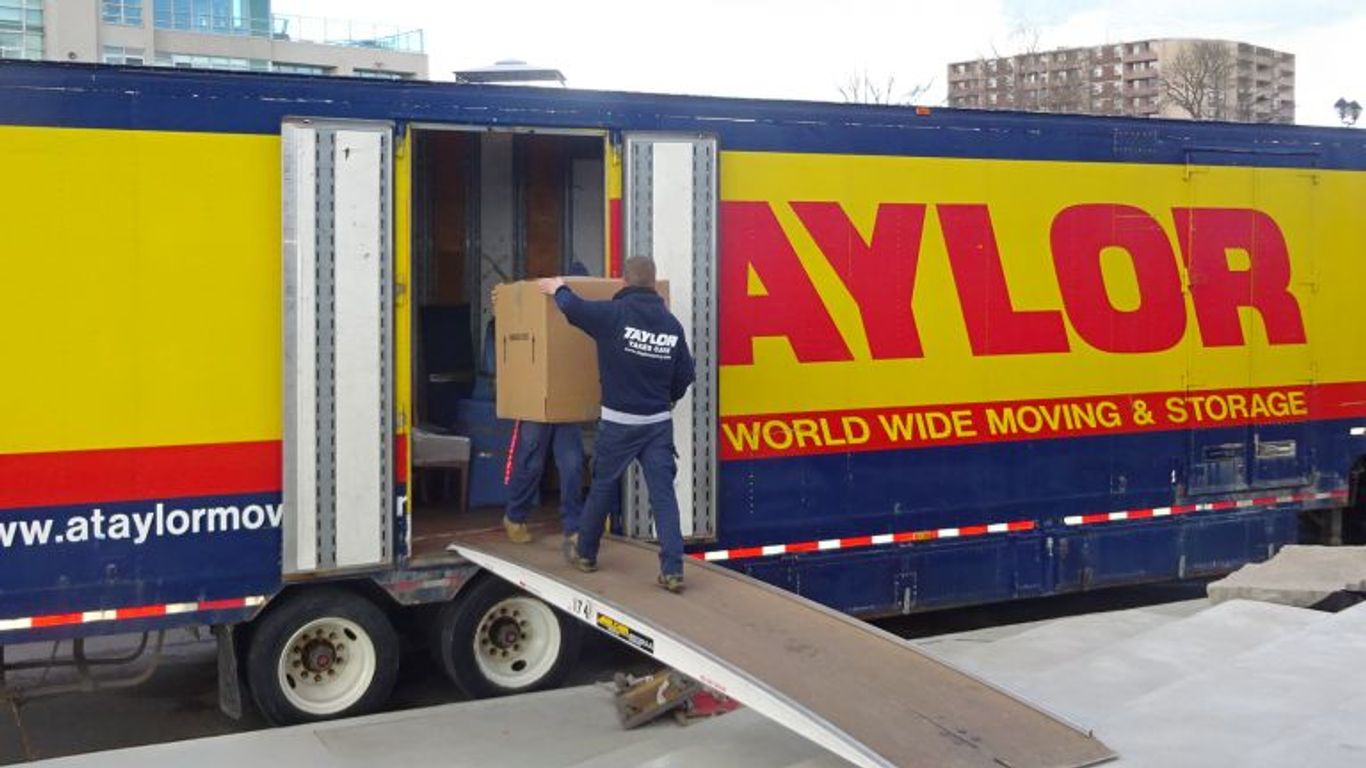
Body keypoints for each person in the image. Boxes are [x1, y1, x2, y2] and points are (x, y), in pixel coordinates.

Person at [538, 256, 694, 593]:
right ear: (653, 283)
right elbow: (686, 374)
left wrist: (557, 287)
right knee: (663, 496)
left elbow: (574, 309)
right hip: (657, 424)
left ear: (624, 280)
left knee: (603, 488)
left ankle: (586, 554)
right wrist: (668, 398)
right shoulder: (671, 325)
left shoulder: (613, 315)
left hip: (619, 424)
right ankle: (673, 570)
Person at [499, 262, 590, 545]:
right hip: (536, 402)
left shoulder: (586, 314)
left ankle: (573, 526)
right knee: (531, 461)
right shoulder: (542, 302)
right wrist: (499, 299)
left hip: (566, 402)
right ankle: (515, 516)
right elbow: (513, 313)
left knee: (572, 465)